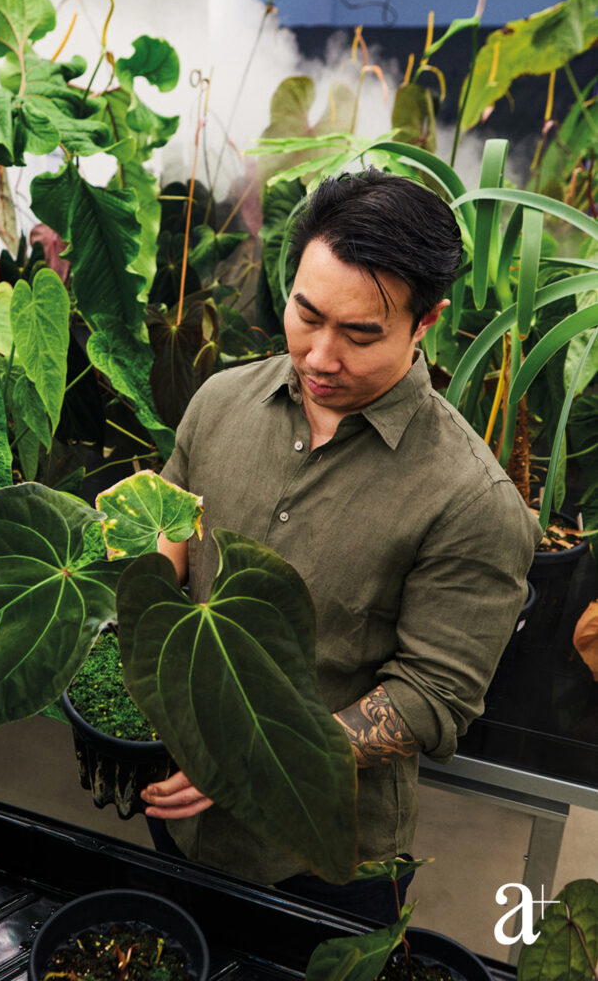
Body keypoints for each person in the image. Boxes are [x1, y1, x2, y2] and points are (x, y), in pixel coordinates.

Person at [140, 168, 541, 923]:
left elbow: (432, 695)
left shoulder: (470, 500)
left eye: (360, 334)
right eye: (306, 314)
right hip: (177, 817)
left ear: (424, 323)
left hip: (325, 863)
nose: (321, 356)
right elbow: (168, 537)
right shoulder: (220, 403)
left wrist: (260, 761)